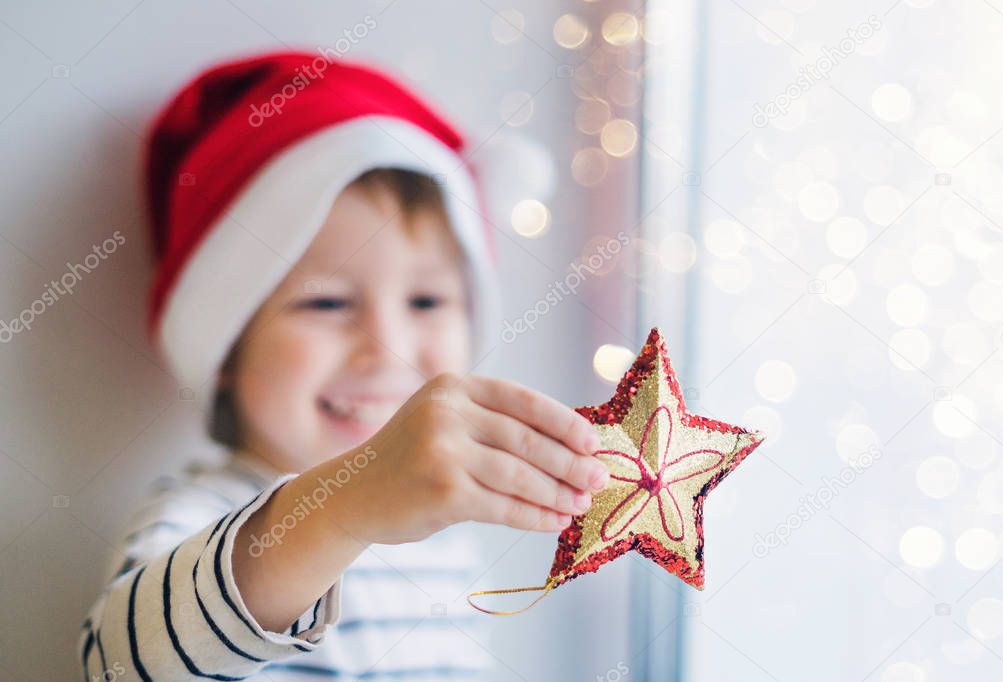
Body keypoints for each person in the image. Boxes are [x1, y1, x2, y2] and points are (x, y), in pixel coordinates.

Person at [77, 51, 609, 680]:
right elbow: (119, 664)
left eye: (427, 300)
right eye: (326, 302)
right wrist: (341, 506)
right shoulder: (198, 517)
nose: (386, 345)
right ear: (226, 347)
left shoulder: (448, 541)